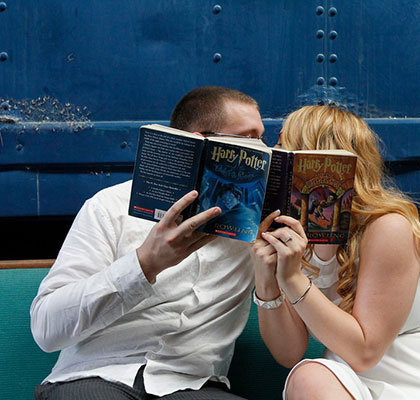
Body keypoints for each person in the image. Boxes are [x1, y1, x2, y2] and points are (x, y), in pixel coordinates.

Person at [30, 86, 263, 400]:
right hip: (95, 376)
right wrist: (144, 264)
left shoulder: (256, 227)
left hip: (193, 386)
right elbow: (46, 328)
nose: (262, 151)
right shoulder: (109, 206)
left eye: (263, 138)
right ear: (198, 144)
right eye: (248, 140)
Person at [250, 105, 420, 399]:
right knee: (308, 376)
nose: (273, 151)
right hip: (348, 383)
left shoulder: (387, 227)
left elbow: (365, 353)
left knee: (313, 375)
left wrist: (294, 277)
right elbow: (288, 353)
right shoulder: (295, 232)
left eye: (285, 145)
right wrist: (267, 278)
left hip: (416, 381)